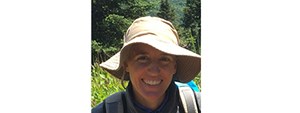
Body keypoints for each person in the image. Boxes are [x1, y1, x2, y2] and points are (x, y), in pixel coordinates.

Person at [92, 16, 201, 113]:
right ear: (126, 65)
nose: (154, 71)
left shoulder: (198, 107)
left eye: (164, 59)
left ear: (174, 67)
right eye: (142, 59)